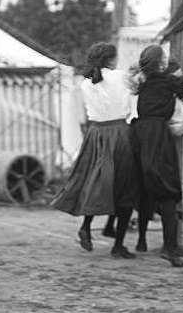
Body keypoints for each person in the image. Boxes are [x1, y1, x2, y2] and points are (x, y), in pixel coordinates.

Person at [51, 42, 139, 259]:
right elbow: (134, 88)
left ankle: (86, 226)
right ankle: (118, 245)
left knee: (95, 182)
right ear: (111, 59)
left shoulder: (86, 82)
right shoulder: (121, 77)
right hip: (119, 133)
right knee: (125, 187)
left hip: (96, 134)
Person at [129, 43, 183, 267]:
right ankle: (169, 248)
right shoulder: (165, 80)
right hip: (156, 136)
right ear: (162, 64)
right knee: (169, 193)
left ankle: (148, 241)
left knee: (147, 189)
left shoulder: (143, 82)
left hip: (139, 134)